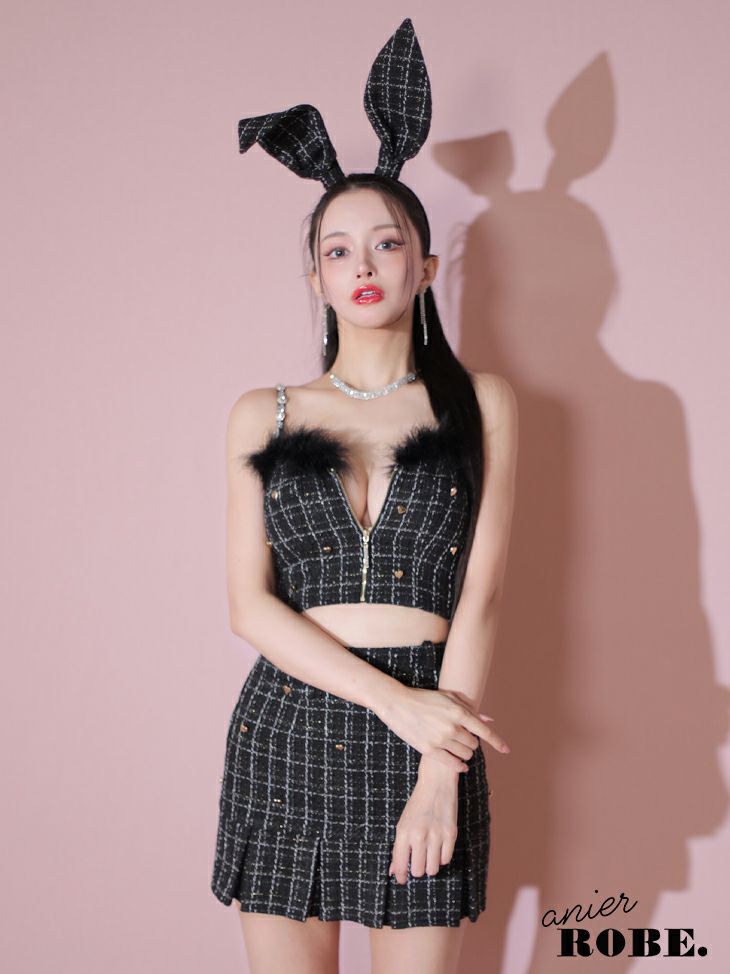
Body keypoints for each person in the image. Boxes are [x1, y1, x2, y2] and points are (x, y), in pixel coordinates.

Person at [211, 19, 518, 974]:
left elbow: (482, 597)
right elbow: (249, 607)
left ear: (425, 267)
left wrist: (439, 765)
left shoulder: (482, 404)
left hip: (432, 733)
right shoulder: (262, 412)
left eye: (387, 244)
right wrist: (399, 705)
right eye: (338, 251)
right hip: (288, 731)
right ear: (316, 276)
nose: (365, 266)